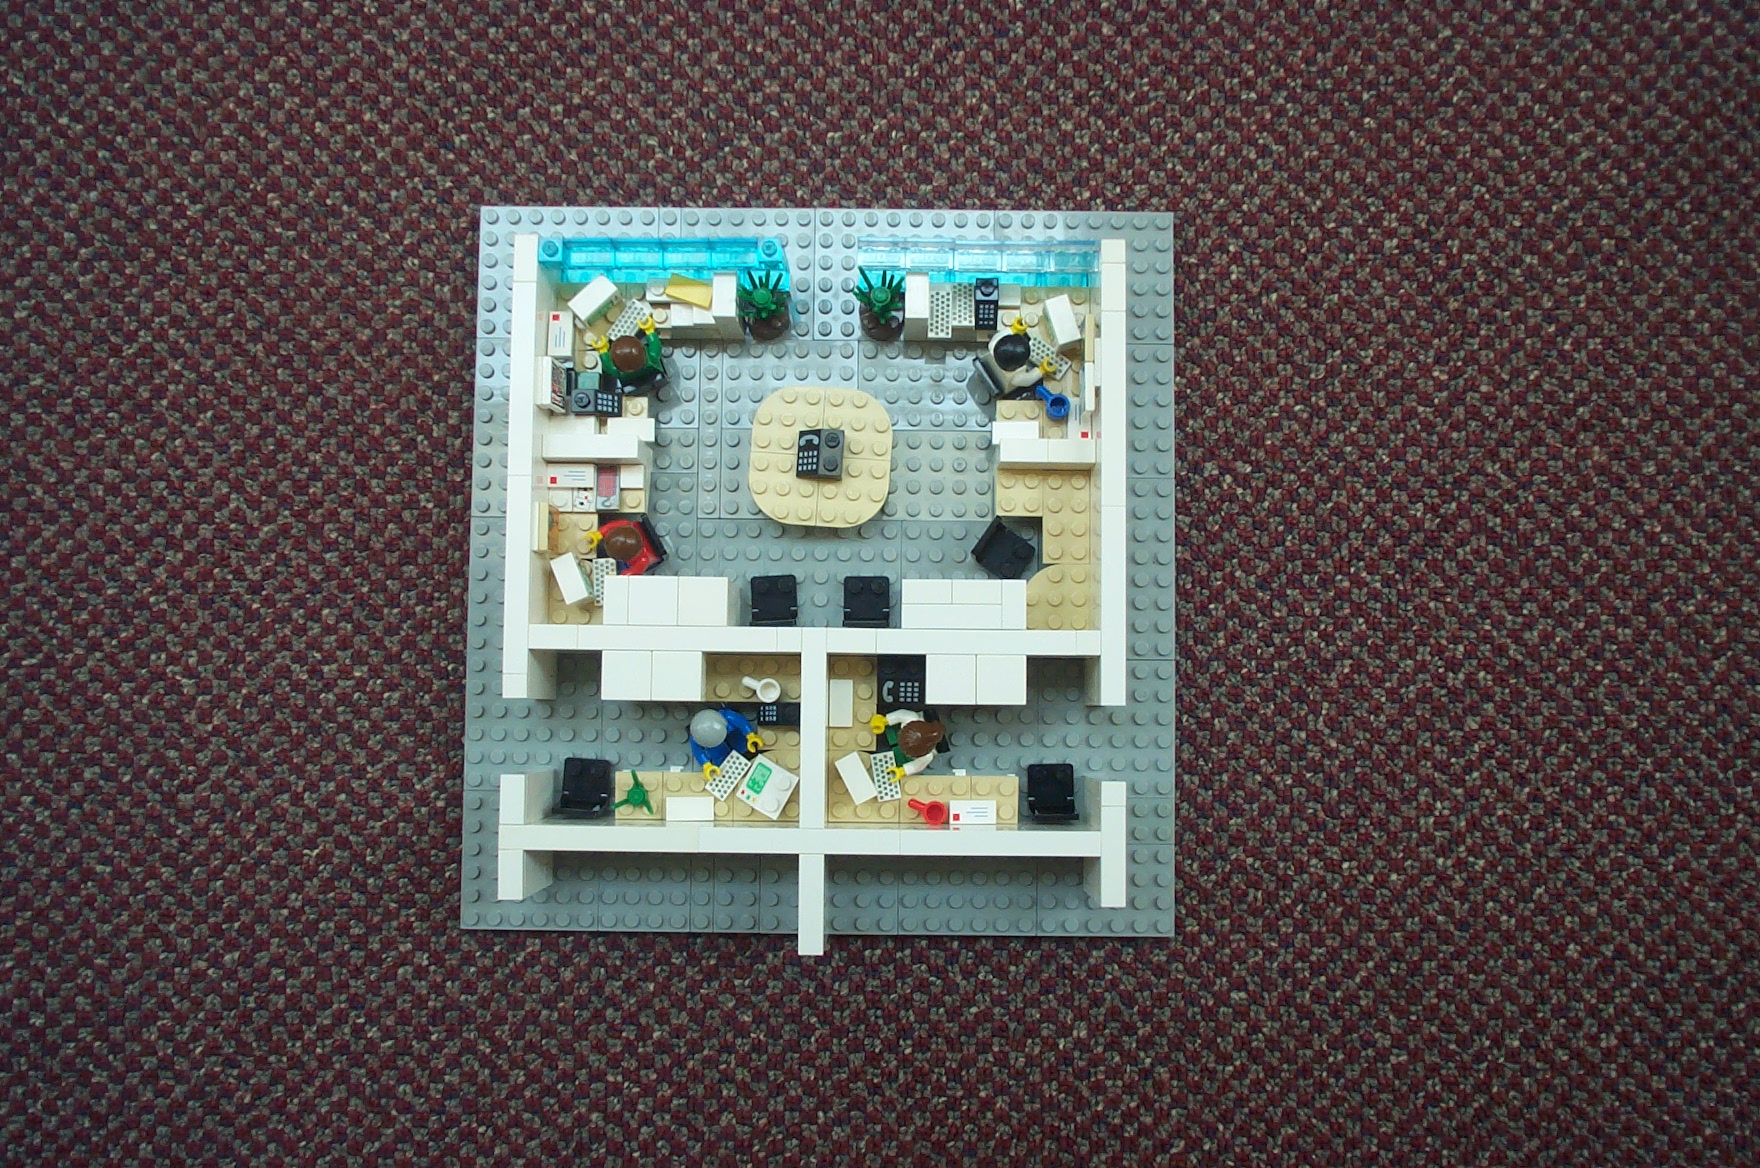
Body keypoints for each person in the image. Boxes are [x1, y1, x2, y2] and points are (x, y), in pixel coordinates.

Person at [870, 709, 945, 779]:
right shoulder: (910, 718)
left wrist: (902, 771)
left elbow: (916, 766)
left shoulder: (927, 757)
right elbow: (900, 715)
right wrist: (884, 721)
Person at [689, 707, 762, 778]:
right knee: (722, 760)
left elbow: (741, 722)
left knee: (741, 744)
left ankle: (744, 749)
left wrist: (750, 735)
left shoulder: (726, 716)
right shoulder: (697, 738)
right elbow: (698, 752)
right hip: (715, 748)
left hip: (733, 734)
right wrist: (706, 764)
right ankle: (726, 763)